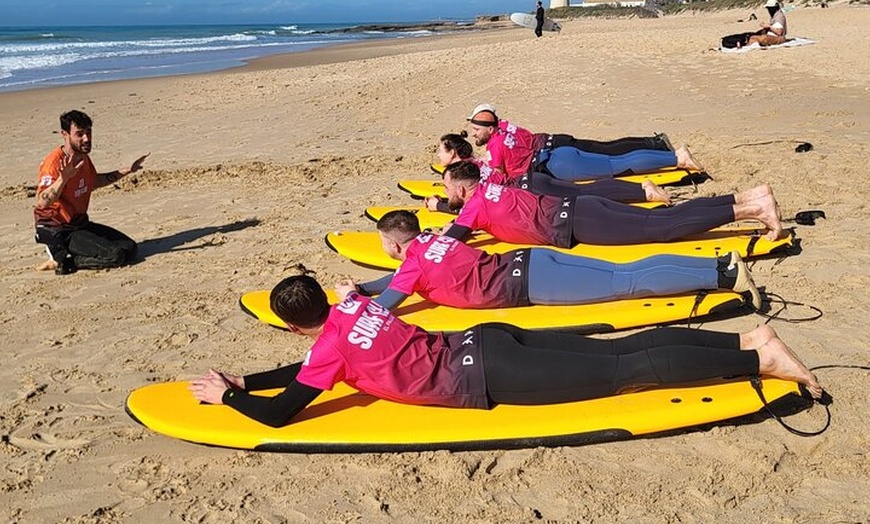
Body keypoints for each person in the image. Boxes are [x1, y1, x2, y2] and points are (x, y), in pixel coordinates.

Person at [188, 275, 823, 428]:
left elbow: (281, 412)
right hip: (485, 340)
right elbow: (308, 363)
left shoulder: (324, 353)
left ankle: (756, 358)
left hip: (490, 372)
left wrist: (230, 396)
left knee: (627, 372)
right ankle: (746, 340)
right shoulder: (354, 302)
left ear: (293, 327)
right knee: (620, 349)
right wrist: (251, 373)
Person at [337, 209, 762, 310]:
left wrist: (351, 299)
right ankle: (720, 264)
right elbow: (392, 285)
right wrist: (363, 286)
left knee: (628, 284)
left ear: (393, 245)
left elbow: (387, 305)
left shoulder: (410, 266)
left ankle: (725, 277)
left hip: (531, 286)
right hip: (533, 261)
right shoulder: (433, 241)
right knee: (627, 271)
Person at [438, 161, 784, 248]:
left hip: (579, 223)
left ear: (462, 188)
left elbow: (453, 238)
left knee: (662, 229)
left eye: (447, 186)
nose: (445, 190)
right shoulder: (489, 192)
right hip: (583, 207)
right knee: (668, 217)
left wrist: (438, 219)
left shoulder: (473, 208)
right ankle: (748, 196)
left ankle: (752, 210)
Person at [424, 132, 672, 214]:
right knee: (607, 160)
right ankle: (654, 162)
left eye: (440, 150)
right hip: (542, 168)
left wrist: (441, 207)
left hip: (539, 178)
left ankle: (651, 181)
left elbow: (471, 206)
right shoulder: (480, 160)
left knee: (601, 177)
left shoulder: (470, 172)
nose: (437, 154)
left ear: (454, 153)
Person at [34, 110, 150, 275]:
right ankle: (61, 260)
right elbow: (42, 202)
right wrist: (63, 179)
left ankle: (71, 253)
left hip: (79, 223)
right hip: (58, 230)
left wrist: (126, 171)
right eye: (79, 134)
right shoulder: (54, 163)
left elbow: (94, 181)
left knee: (130, 249)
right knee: (115, 256)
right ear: (65, 135)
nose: (86, 138)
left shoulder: (82, 157)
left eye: (88, 132)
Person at [466, 104, 701, 182]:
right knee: (613, 154)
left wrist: (478, 164)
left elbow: (499, 178)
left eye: (476, 130)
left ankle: (674, 156)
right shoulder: (505, 125)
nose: (474, 134)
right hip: (556, 147)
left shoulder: (495, 147)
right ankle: (662, 148)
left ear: (489, 128)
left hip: (555, 163)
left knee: (617, 162)